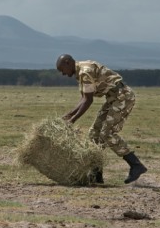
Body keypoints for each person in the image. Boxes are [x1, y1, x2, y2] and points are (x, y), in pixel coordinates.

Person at [56, 54, 147, 184]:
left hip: (122, 97)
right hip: (113, 98)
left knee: (107, 134)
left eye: (61, 70)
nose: (63, 74)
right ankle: (96, 175)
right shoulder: (80, 71)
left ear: (67, 63)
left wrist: (73, 120)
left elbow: (88, 100)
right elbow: (83, 98)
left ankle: (136, 165)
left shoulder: (85, 72)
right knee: (94, 134)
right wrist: (69, 115)